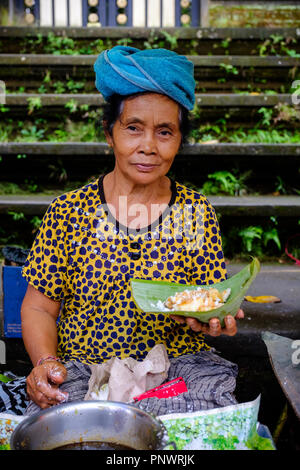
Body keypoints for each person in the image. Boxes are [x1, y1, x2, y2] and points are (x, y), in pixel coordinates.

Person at [21, 46, 244, 416]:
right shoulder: (68, 213)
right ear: (110, 134)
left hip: (176, 370)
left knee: (200, 429)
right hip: (85, 371)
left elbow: (208, 300)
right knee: (68, 426)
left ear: (179, 140)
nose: (148, 147)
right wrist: (45, 361)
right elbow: (38, 307)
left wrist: (211, 316)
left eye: (165, 132)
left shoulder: (194, 213)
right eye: (134, 128)